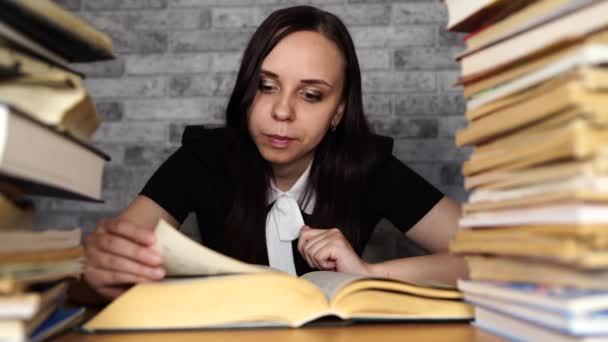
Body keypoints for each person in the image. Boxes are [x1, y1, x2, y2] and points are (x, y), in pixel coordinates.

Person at [83, 5, 468, 301]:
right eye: (267, 87)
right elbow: (111, 258)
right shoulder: (201, 158)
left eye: (311, 94)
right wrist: (103, 262)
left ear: (338, 111)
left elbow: (492, 259)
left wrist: (369, 275)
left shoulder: (371, 167)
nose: (282, 111)